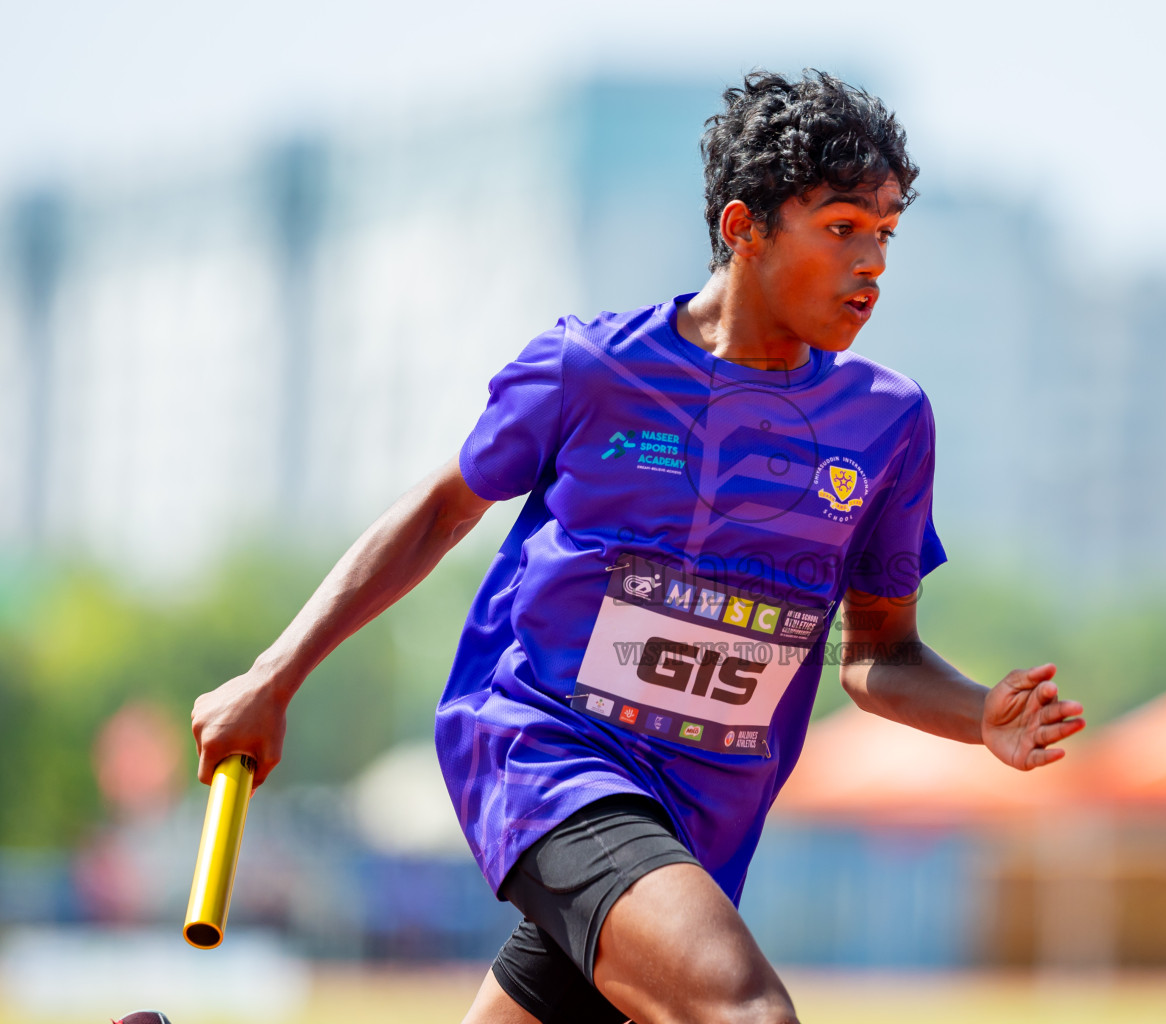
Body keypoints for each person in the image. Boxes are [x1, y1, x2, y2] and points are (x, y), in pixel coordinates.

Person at [191, 69, 1085, 1024]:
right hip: (546, 753)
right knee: (745, 1014)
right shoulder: (594, 369)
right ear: (744, 229)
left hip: (695, 817)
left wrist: (980, 714)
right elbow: (439, 511)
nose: (871, 262)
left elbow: (879, 656)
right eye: (839, 229)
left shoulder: (888, 422)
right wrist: (274, 676)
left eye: (886, 233)